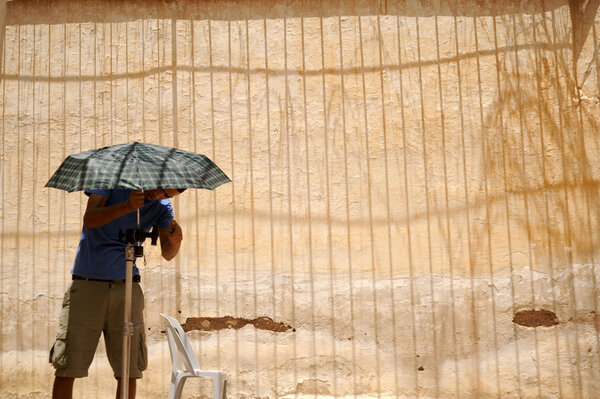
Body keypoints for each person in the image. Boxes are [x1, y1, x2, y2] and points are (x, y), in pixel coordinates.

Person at [49, 188, 185, 399]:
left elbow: (167, 252)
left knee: (129, 368)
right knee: (69, 364)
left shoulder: (162, 207)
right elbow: (90, 219)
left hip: (127, 287)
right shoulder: (108, 183)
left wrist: (175, 242)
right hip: (87, 285)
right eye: (160, 190)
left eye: (168, 195)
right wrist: (127, 206)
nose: (159, 197)